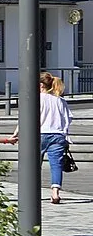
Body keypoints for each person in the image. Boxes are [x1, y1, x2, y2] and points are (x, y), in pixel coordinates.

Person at [40, 72, 72, 205]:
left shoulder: (36, 99)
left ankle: (32, 191)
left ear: (40, 85)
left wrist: (16, 133)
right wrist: (65, 133)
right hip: (58, 135)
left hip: (39, 134)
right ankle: (55, 193)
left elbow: (26, 118)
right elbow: (68, 119)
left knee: (33, 165)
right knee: (56, 166)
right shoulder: (60, 100)